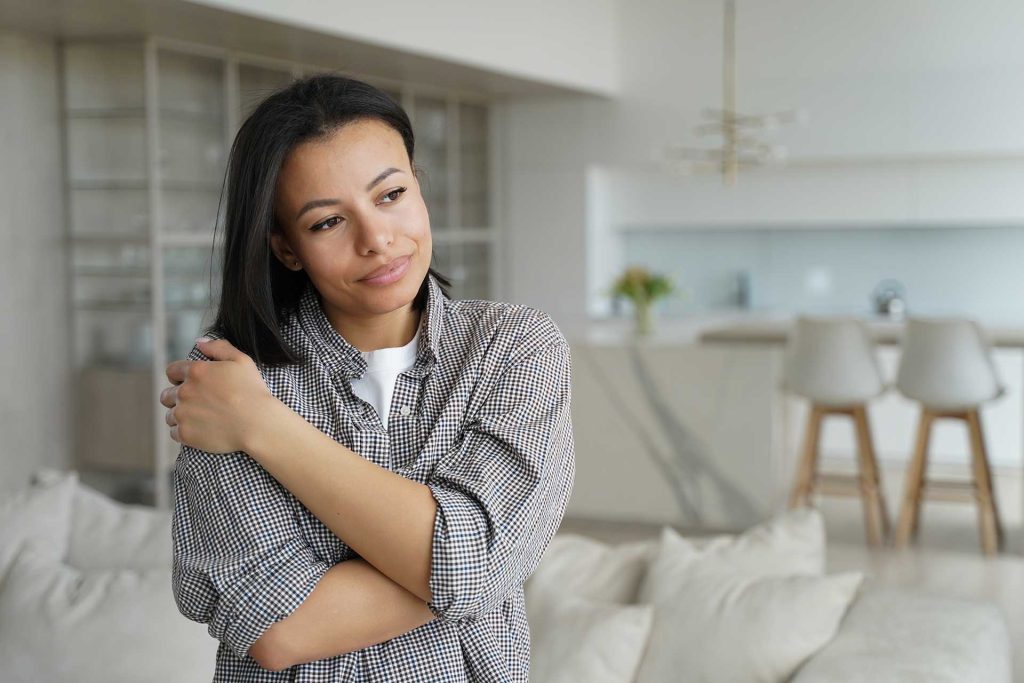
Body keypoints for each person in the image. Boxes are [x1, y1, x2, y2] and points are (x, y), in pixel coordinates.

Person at [159, 73, 575, 681]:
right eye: (328, 222)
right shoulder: (230, 381)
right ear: (285, 247)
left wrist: (264, 428)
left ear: (419, 189)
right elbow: (278, 630)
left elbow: (479, 563)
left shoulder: (514, 348)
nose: (377, 240)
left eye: (390, 195)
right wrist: (465, 566)